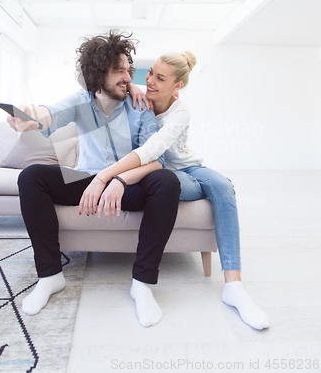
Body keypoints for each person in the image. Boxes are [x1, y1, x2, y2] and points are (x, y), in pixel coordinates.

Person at [80, 50, 270, 331]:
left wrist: (108, 177)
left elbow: (152, 150)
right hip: (165, 175)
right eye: (150, 74)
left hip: (190, 168)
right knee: (172, 183)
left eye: (160, 77)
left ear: (177, 86)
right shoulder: (137, 99)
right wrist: (132, 86)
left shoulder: (180, 112)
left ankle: (234, 286)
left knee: (223, 186)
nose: (150, 81)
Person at [8, 31, 180, 328]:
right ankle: (50, 276)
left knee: (166, 181)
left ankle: (142, 283)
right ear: (97, 75)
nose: (128, 77)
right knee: (32, 176)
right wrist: (29, 117)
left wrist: (117, 180)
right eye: (119, 71)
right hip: (87, 182)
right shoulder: (80, 101)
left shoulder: (140, 105)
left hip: (127, 185)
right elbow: (49, 115)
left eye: (129, 69)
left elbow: (155, 159)